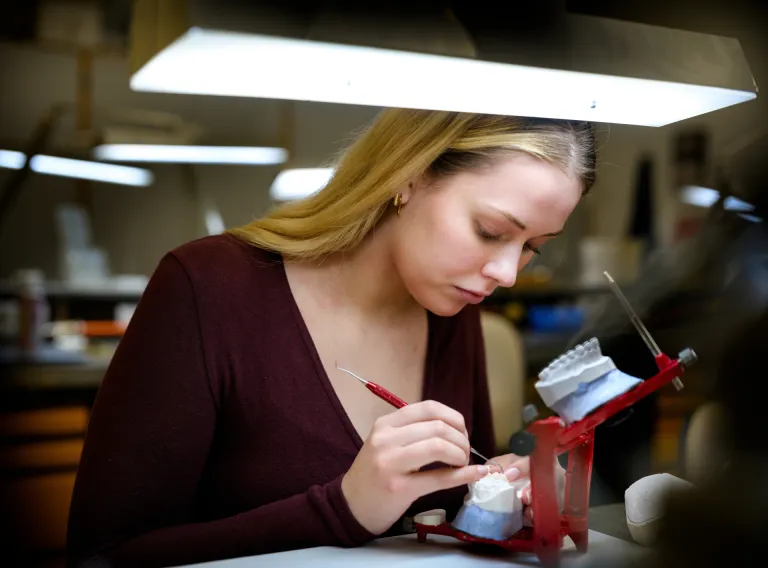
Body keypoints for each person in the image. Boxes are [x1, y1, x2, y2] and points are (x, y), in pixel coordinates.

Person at [66, 109, 596, 567]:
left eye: (534, 247)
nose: (507, 273)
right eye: (491, 231)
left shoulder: (453, 302)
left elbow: (450, 522)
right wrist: (340, 510)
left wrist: (503, 500)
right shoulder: (207, 287)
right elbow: (102, 556)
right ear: (409, 174)